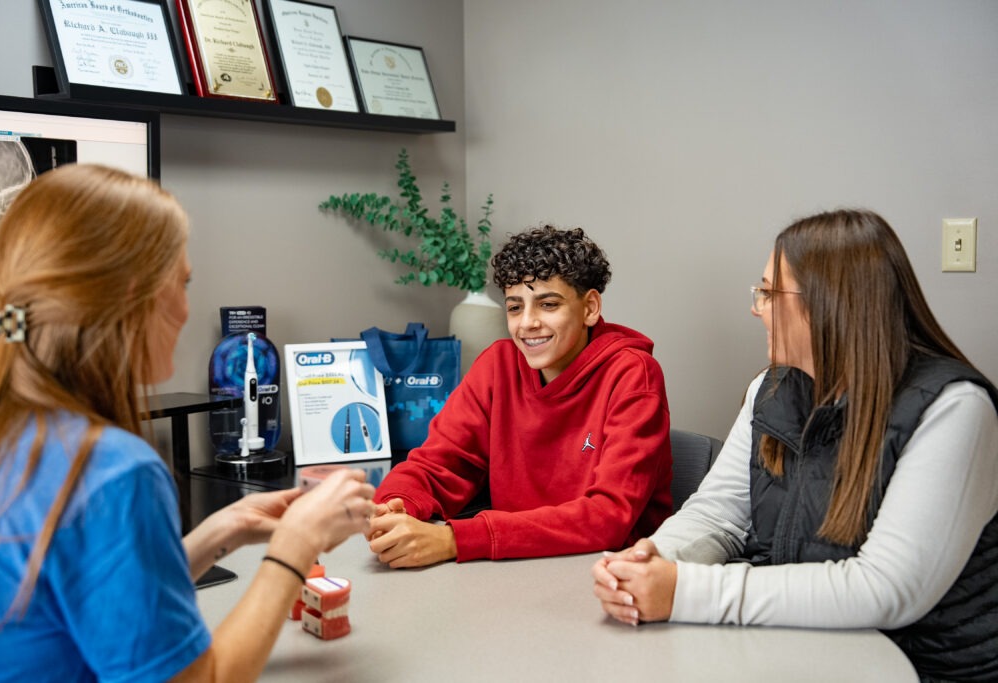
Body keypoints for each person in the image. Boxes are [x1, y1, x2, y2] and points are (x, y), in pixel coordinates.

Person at [0, 164, 376, 683]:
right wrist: (295, 547)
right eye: (182, 283)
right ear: (132, 296)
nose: (187, 309)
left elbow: (95, 590)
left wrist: (223, 531)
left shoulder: (4, 431)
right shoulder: (111, 471)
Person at [592, 209, 998, 682]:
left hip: (926, 670)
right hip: (802, 649)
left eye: (768, 293)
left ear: (829, 304)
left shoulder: (954, 408)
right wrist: (655, 558)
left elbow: (886, 588)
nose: (756, 308)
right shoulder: (769, 389)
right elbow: (719, 515)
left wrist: (685, 591)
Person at [367, 225, 673, 568]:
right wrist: (395, 506)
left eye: (548, 304)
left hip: (610, 572)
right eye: (515, 308)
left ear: (589, 308)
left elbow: (608, 516)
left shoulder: (633, 374)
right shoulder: (496, 366)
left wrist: (455, 539)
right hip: (513, 567)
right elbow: (437, 465)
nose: (527, 323)